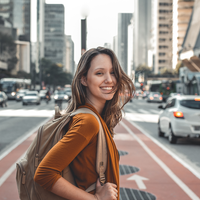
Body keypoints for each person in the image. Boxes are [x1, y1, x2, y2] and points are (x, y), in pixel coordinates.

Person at [34, 47, 135, 200]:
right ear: (84, 79)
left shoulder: (94, 118)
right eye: (99, 73)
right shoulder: (88, 122)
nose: (109, 79)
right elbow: (44, 173)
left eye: (113, 72)